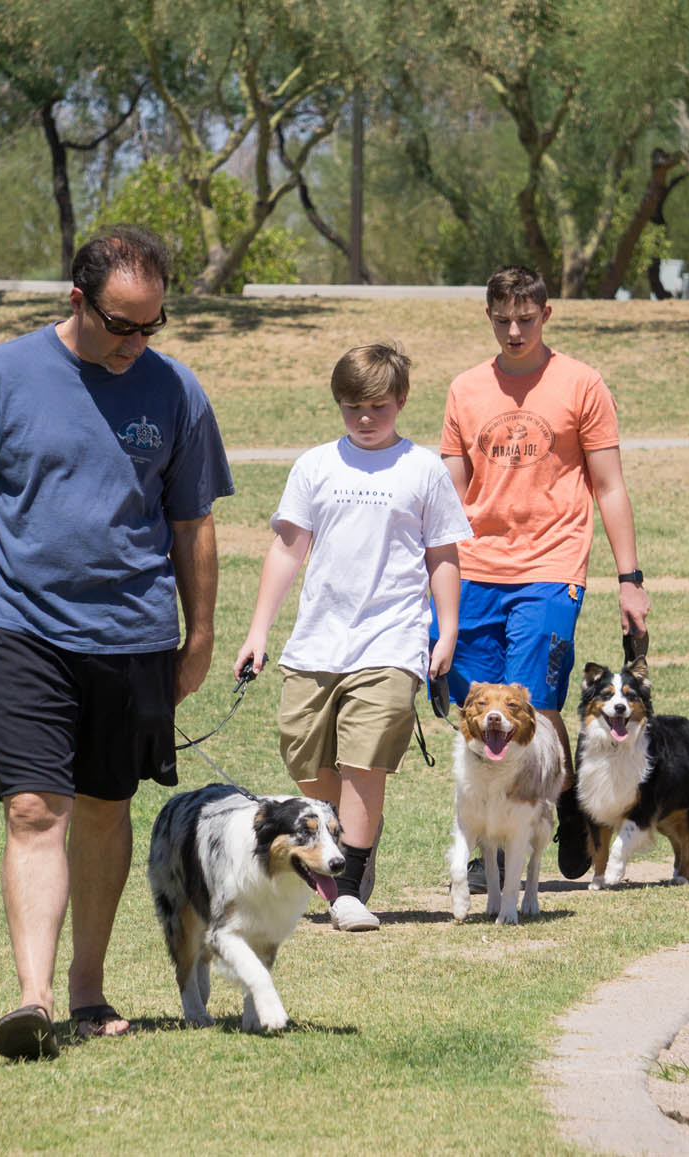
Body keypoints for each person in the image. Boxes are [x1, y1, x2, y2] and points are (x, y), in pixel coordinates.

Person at [0, 224, 234, 1060]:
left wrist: (198, 637)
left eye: (151, 327)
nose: (135, 343)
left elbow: (193, 524)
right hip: (18, 626)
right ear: (77, 298)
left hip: (131, 634)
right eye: (120, 325)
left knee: (103, 808)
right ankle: (34, 995)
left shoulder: (176, 393)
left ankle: (89, 989)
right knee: (33, 808)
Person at [234, 343, 472, 931]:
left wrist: (447, 631)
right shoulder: (316, 465)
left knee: (365, 761)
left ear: (401, 401)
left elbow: (443, 554)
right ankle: (347, 838)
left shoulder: (422, 469)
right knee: (305, 754)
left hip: (392, 638)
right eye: (351, 408)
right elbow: (289, 548)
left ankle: (346, 891)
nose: (365, 419)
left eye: (378, 407)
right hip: (318, 640)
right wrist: (259, 631)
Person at [432, 264, 650, 882]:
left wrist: (629, 578)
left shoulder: (581, 384)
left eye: (526, 319)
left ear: (546, 315)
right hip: (474, 568)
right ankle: (495, 843)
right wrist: (427, 573)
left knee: (534, 699)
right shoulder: (465, 390)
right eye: (502, 320)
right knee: (481, 708)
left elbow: (608, 487)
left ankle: (552, 817)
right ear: (488, 317)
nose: (514, 330)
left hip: (551, 566)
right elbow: (449, 495)